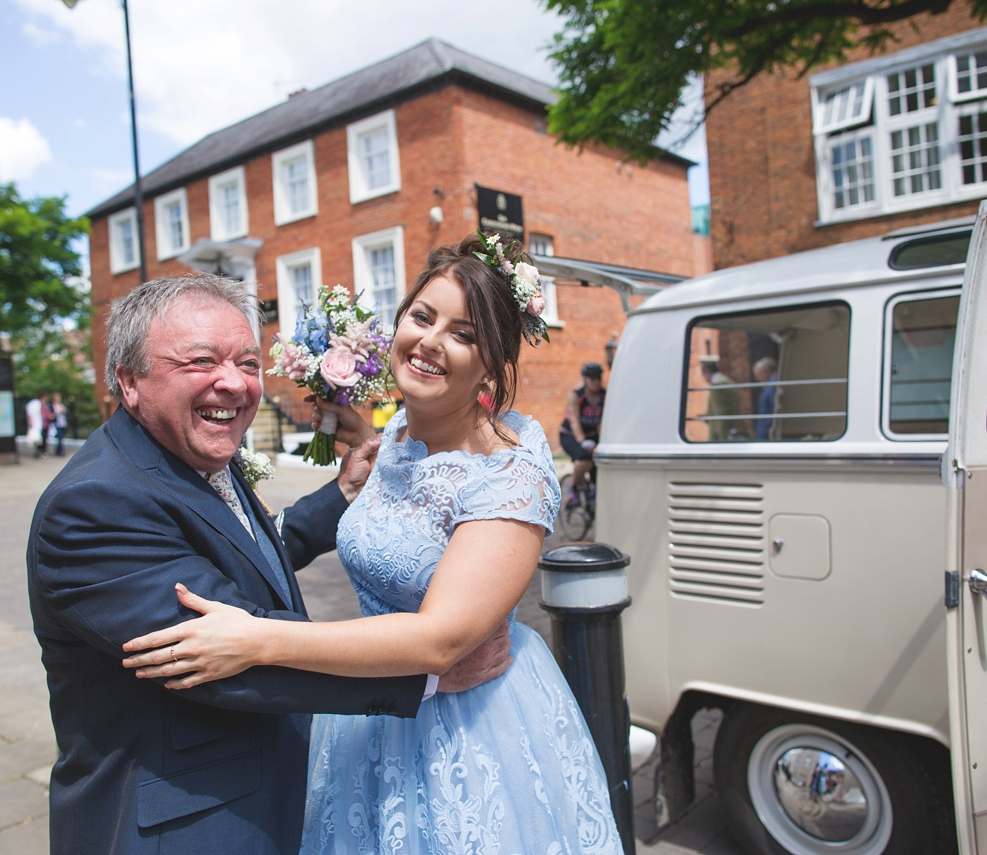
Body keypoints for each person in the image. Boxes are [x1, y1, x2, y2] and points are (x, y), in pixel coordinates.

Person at [123, 236, 624, 854]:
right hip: (368, 715)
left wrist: (259, 640)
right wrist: (355, 457)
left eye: (463, 334)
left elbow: (441, 639)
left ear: (492, 365)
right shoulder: (396, 440)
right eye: (422, 316)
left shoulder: (509, 470)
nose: (431, 341)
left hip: (468, 725)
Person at [26, 275, 509, 855]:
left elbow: (241, 552)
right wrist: (423, 673)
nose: (232, 383)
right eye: (200, 361)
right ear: (129, 382)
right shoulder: (95, 504)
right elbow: (222, 653)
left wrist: (342, 497)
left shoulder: (183, 446)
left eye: (248, 363)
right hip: (185, 822)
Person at [559, 361, 605, 502]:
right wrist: (582, 441)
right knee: (584, 461)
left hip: (591, 434)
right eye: (592, 378)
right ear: (585, 379)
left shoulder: (603, 395)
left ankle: (593, 492)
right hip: (571, 435)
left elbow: (603, 421)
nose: (596, 382)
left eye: (598, 378)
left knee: (600, 462)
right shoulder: (576, 396)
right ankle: (573, 487)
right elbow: (574, 420)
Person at [700, 354, 743, 441]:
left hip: (722, 431)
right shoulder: (725, 381)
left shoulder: (718, 385)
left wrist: (721, 436)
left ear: (707, 372)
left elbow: (720, 410)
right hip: (729, 426)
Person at [752, 356, 777, 440]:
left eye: (759, 374)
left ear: (766, 370)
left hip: (766, 431)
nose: (757, 378)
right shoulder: (770, 385)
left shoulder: (772, 385)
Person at [24, 390, 47, 458]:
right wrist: (31, 422)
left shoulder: (36, 403)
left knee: (39, 440)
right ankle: (39, 453)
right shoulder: (36, 403)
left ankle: (39, 453)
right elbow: (30, 413)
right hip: (36, 425)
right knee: (38, 440)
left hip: (38, 425)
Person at [50, 392, 69, 456]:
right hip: (56, 424)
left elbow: (65, 411)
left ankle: (58, 450)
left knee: (61, 438)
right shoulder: (52, 406)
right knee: (59, 437)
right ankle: (60, 450)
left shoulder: (61, 405)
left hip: (62, 423)